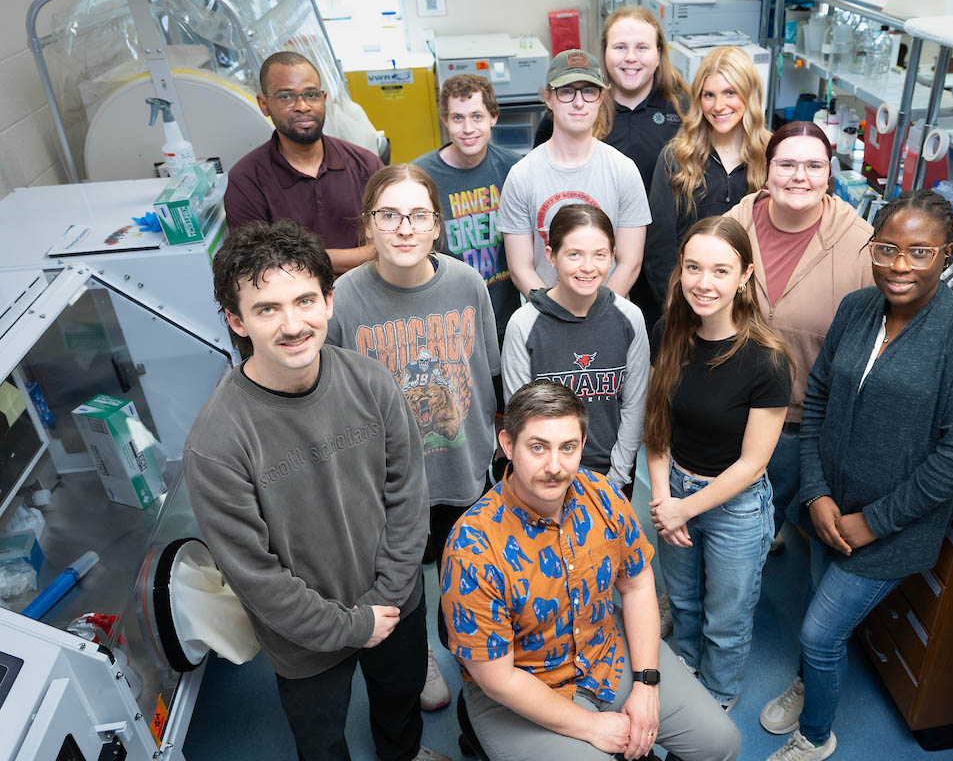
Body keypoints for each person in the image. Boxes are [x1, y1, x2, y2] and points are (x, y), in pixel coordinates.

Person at [183, 221, 448, 761]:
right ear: (236, 321)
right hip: (303, 638)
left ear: (329, 301)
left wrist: (385, 599)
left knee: (399, 700)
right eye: (266, 309)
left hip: (395, 603)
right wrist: (350, 625)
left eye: (305, 300)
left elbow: (407, 495)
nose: (292, 324)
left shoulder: (372, 381)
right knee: (321, 738)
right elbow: (254, 574)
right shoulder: (216, 442)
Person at [763, 191, 953, 761]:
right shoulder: (857, 308)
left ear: (946, 254)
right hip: (828, 510)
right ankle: (809, 678)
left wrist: (872, 521)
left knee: (821, 631)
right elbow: (818, 399)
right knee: (819, 607)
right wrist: (817, 494)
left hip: (889, 530)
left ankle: (816, 737)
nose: (899, 265)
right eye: (888, 248)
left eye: (919, 253)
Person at [440, 380, 741, 761]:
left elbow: (636, 584)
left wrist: (647, 684)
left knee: (722, 743)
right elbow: (497, 679)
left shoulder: (602, 495)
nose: (554, 467)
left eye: (568, 448)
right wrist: (592, 726)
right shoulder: (472, 546)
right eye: (538, 447)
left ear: (582, 445)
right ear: (507, 445)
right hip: (522, 685)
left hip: (605, 652)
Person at [325, 163, 501, 712]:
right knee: (401, 582)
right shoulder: (344, 300)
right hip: (389, 483)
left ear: (436, 226)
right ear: (368, 226)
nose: (404, 228)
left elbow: (490, 376)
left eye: (417, 215)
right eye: (389, 215)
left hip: (462, 467)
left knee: (467, 571)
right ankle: (418, 654)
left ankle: (472, 653)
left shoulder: (467, 284)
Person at [644, 216, 792, 710]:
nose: (704, 283)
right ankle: (685, 668)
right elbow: (658, 424)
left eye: (720, 271)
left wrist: (685, 510)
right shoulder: (670, 330)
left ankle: (719, 694)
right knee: (683, 602)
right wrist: (664, 498)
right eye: (693, 268)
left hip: (736, 507)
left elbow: (751, 465)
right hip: (676, 489)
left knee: (725, 618)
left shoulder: (767, 358)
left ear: (745, 275)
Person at [725, 121, 874, 538]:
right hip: (727, 405)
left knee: (761, 521)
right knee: (718, 516)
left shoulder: (861, 246)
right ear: (766, 170)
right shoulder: (732, 227)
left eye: (814, 165)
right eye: (787, 164)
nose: (799, 176)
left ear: (830, 173)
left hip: (798, 424)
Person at [501, 203, 649, 492]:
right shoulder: (524, 323)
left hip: (612, 477)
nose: (588, 267)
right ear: (551, 256)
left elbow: (634, 405)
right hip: (545, 478)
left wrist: (615, 479)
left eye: (600, 255)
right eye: (574, 254)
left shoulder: (629, 318)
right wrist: (551, 475)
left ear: (612, 256)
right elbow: (520, 415)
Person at [498, 49, 650, 300]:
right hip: (544, 317)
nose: (579, 102)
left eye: (588, 91)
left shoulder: (623, 170)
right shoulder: (522, 175)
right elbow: (520, 267)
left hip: (608, 312)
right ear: (548, 98)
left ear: (601, 98)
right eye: (566, 91)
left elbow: (630, 262)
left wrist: (599, 313)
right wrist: (553, 314)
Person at [642, 46, 772, 325]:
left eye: (730, 93)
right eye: (708, 95)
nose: (718, 106)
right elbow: (658, 249)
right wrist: (679, 309)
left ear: (749, 96)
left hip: (755, 311)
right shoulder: (676, 158)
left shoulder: (772, 158)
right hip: (688, 308)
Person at [224, 52, 383, 273]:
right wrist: (357, 256)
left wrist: (293, 258)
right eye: (286, 97)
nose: (302, 106)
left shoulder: (365, 165)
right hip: (293, 303)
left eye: (311, 95)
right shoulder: (247, 179)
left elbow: (388, 248)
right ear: (264, 104)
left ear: (323, 99)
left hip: (366, 292)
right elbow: (255, 264)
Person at [413, 74, 522, 338]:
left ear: (493, 117)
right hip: (447, 320)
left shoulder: (515, 169)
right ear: (445, 120)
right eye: (458, 118)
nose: (468, 128)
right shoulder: (420, 176)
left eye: (477, 116)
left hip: (504, 318)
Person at [533, 6, 688, 191]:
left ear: (658, 55)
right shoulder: (574, 109)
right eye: (620, 47)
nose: (631, 57)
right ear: (605, 52)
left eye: (642, 47)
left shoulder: (684, 109)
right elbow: (540, 177)